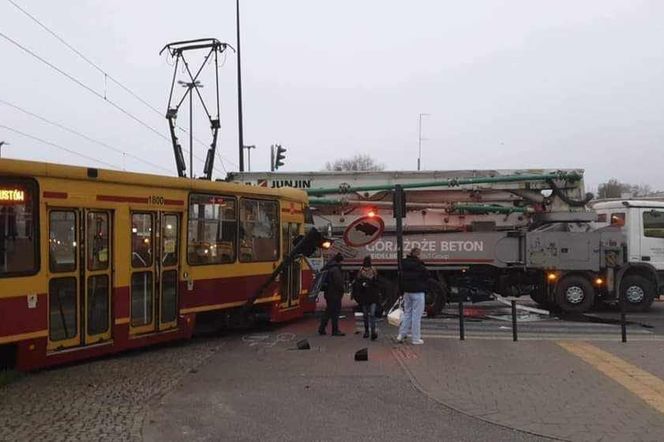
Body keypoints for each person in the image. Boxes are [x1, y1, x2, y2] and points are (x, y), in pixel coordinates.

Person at [397, 247, 428, 345]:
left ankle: (401, 335)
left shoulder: (404, 264)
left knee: (407, 314)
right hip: (418, 292)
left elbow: (400, 278)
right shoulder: (419, 265)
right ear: (417, 254)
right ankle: (416, 338)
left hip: (407, 292)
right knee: (416, 316)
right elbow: (427, 275)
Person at [318, 253, 346, 336]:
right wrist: (342, 290)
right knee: (335, 313)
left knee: (328, 311)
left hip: (329, 293)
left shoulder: (330, 268)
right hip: (335, 294)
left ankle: (322, 328)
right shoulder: (336, 270)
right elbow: (338, 283)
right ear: (339, 261)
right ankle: (335, 330)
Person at [354, 256, 380, 340]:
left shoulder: (364, 270)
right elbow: (358, 282)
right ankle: (367, 331)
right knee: (368, 314)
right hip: (368, 296)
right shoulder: (364, 270)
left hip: (368, 296)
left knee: (369, 314)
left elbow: (376, 282)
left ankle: (371, 331)